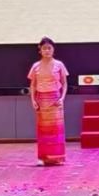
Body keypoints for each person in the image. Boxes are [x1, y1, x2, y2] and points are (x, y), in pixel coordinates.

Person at [28, 37, 69, 166]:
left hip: (56, 100)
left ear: (53, 49)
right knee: (43, 130)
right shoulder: (35, 66)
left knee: (57, 130)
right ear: (40, 50)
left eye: (49, 48)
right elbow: (33, 85)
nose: (47, 50)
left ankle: (57, 158)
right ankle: (42, 158)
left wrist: (62, 98)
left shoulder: (59, 64)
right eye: (44, 48)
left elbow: (64, 83)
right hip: (41, 100)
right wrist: (33, 100)